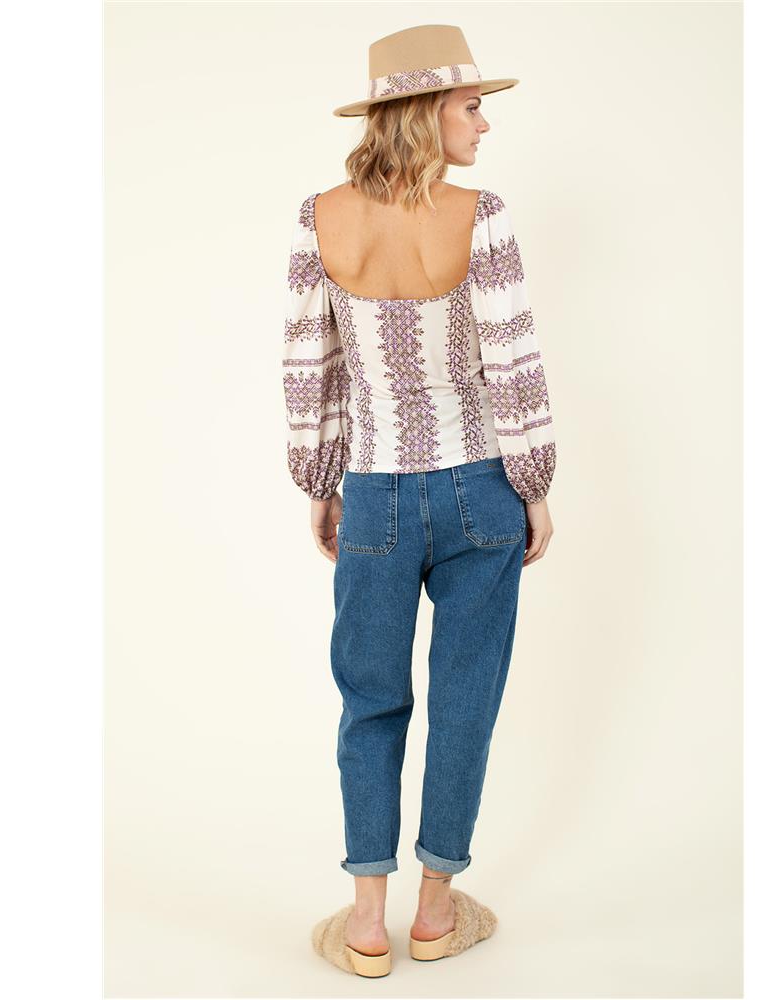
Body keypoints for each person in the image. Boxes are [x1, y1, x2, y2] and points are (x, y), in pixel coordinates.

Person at [282, 24, 557, 977]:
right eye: (472, 106)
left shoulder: (320, 218)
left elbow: (308, 367)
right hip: (481, 487)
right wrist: (534, 488)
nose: (484, 123)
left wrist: (321, 482)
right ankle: (437, 911)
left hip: (374, 493)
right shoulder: (482, 216)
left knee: (369, 700)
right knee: (465, 696)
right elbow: (513, 362)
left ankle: (367, 922)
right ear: (426, 110)